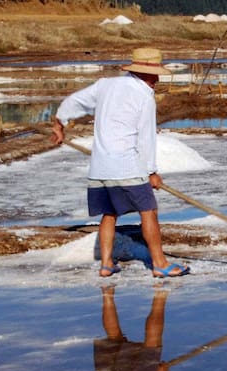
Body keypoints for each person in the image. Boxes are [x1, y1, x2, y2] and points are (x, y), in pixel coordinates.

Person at [50, 47, 189, 278]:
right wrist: (151, 171)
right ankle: (160, 263)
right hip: (127, 165)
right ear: (145, 73)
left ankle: (106, 264)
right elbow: (145, 138)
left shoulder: (105, 85)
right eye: (155, 75)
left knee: (110, 213)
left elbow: (73, 101)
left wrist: (59, 123)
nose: (157, 79)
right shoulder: (143, 95)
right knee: (149, 211)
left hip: (100, 166)